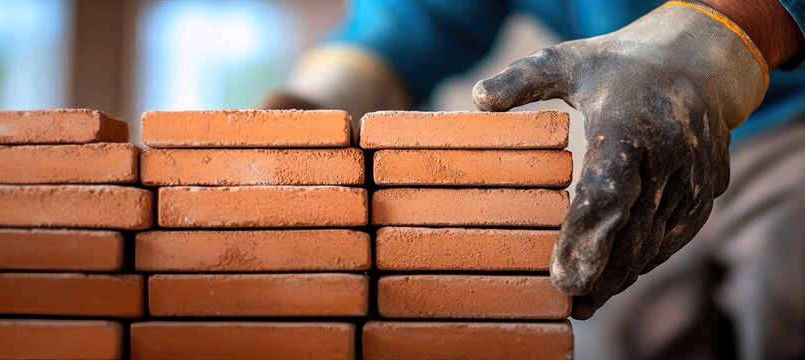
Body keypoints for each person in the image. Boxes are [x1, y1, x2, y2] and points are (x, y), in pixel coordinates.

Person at [265, 0, 805, 358]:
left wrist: (718, 42)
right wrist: (324, 98)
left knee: (785, 291)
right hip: (636, 115)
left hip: (793, 114)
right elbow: (424, 15)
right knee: (613, 324)